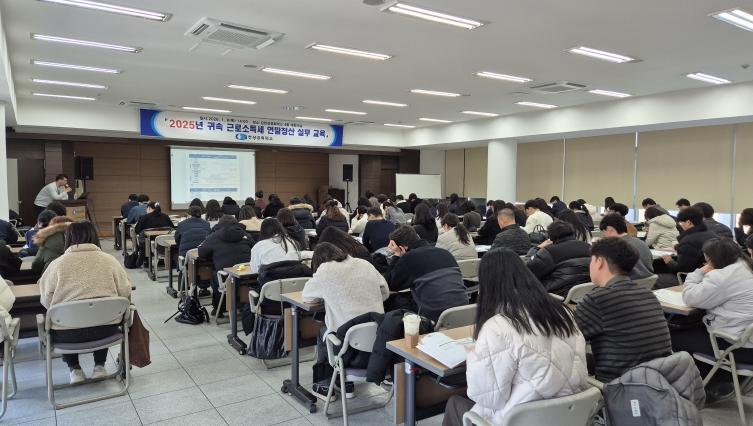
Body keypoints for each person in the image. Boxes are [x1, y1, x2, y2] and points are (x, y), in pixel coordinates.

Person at [442, 249, 588, 426]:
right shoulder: (563, 312)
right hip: (569, 415)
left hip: (524, 419)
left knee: (455, 403)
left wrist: (475, 356)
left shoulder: (497, 327)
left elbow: (490, 398)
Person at [39, 220, 131, 384]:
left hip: (68, 333)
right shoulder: (110, 261)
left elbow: (47, 299)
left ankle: (75, 370)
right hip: (106, 329)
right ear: (94, 236)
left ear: (68, 238)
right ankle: (100, 367)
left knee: (64, 320)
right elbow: (124, 292)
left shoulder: (57, 265)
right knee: (100, 314)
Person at [573, 237, 672, 383]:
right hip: (659, 380)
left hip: (621, 386)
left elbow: (565, 337)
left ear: (599, 262)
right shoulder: (646, 292)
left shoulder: (598, 299)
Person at [303, 243, 389, 401]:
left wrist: (332, 296)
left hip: (348, 352)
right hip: (379, 346)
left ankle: (324, 385)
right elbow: (385, 292)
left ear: (317, 262)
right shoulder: (364, 264)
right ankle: (345, 384)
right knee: (349, 331)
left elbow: (307, 296)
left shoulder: (325, 269)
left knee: (324, 333)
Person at [673, 237, 753, 404]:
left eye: (707, 260)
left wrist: (700, 272)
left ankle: (710, 383)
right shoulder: (747, 266)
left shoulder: (721, 276)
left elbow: (690, 297)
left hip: (739, 348)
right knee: (698, 330)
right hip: (747, 342)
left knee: (674, 336)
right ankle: (724, 379)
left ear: (714, 258)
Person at [383, 226, 468, 322]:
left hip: (436, 318)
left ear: (403, 248)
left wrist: (397, 254)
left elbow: (389, 283)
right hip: (464, 312)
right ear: (418, 236)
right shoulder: (446, 253)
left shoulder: (409, 257)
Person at [198, 215, 255, 317]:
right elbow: (255, 250)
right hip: (247, 276)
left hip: (226, 278)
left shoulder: (213, 236)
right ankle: (244, 305)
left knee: (214, 277)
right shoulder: (246, 235)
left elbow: (202, 253)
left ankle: (219, 309)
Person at [525, 221, 591, 297]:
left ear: (551, 237)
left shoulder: (550, 252)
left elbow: (526, 269)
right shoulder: (588, 247)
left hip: (558, 294)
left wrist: (537, 248)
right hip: (586, 292)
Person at [660, 206, 717, 277]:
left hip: (692, 277)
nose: (681, 225)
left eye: (681, 222)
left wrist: (669, 262)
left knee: (658, 278)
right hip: (711, 274)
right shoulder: (712, 233)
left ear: (688, 222)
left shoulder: (688, 241)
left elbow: (682, 268)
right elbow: (695, 249)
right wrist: (678, 246)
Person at [599, 214, 654, 280]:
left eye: (604, 232)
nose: (604, 236)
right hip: (648, 283)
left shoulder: (613, 247)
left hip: (624, 284)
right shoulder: (642, 243)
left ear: (609, 229)